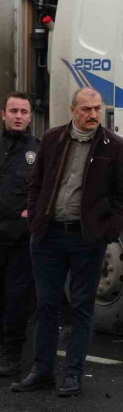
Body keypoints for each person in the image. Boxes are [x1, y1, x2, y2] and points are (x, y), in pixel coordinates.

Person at [12, 87, 123, 397]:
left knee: (81, 308)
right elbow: (35, 183)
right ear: (72, 110)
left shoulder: (115, 146)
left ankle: (73, 374)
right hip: (48, 235)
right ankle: (42, 371)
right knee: (46, 307)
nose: (93, 114)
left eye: (97, 108)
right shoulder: (52, 139)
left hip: (85, 239)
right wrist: (37, 219)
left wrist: (106, 233)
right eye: (86, 109)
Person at [0, 92, 38, 377]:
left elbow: (47, 189)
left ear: (30, 117)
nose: (18, 116)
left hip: (20, 240)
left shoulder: (37, 151)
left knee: (17, 299)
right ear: (3, 115)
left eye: (23, 112)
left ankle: (11, 356)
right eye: (13, 111)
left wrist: (33, 212)